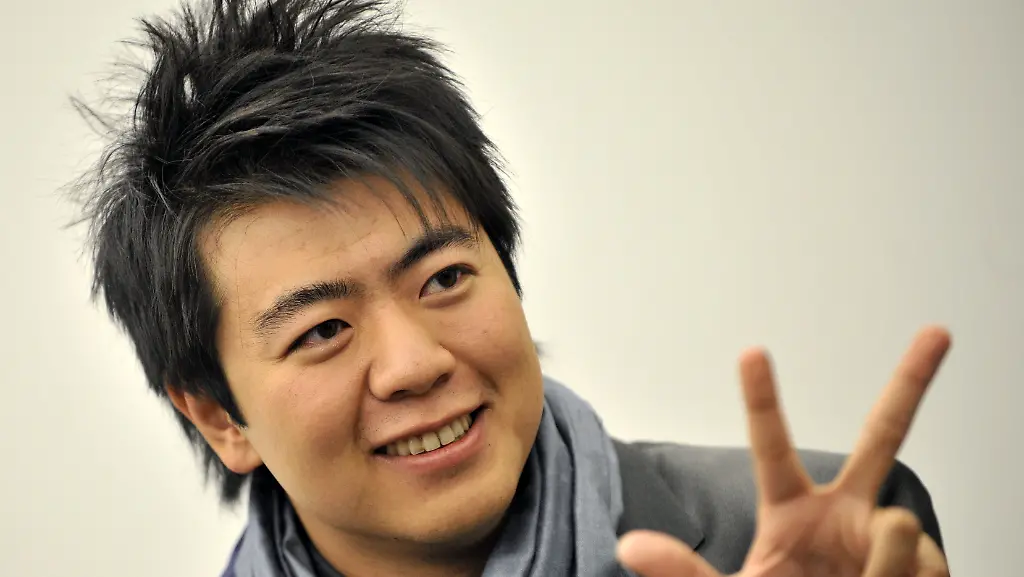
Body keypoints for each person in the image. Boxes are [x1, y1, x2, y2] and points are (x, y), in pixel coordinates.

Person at [73, 1, 952, 576]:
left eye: (445, 277)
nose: (415, 363)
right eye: (324, 330)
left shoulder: (815, 541)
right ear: (219, 417)